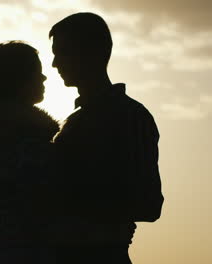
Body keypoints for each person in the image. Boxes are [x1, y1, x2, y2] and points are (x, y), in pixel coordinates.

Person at [0, 41, 135, 264]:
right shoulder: (19, 142)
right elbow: (43, 215)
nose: (44, 78)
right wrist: (110, 233)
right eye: (37, 72)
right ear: (16, 79)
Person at [47, 12, 164, 263]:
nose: (55, 63)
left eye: (63, 52)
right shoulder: (76, 121)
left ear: (94, 52)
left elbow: (149, 203)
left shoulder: (129, 116)